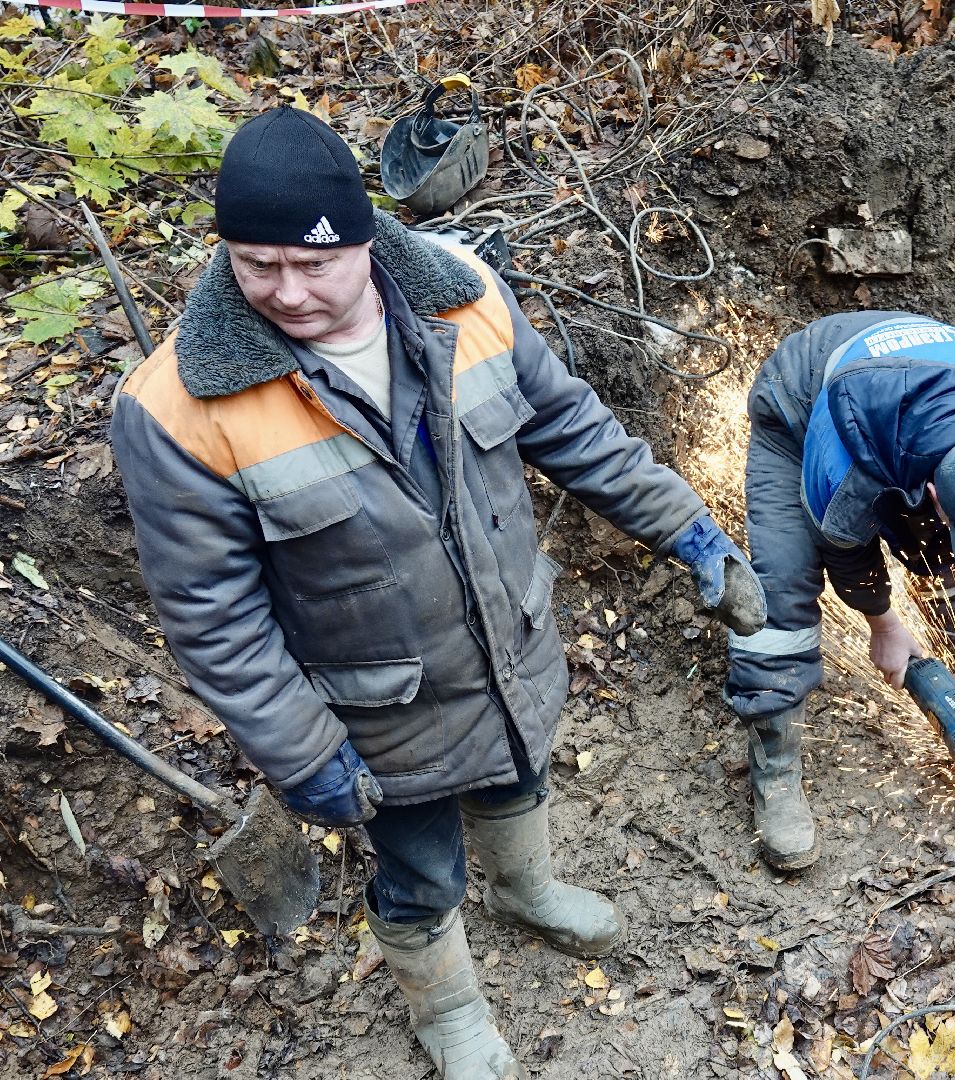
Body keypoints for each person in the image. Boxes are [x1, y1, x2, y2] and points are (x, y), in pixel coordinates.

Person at [110, 107, 764, 1080]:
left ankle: (525, 890)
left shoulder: (467, 299)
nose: (285, 292)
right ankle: (448, 1009)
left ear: (366, 241)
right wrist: (303, 753)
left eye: (312, 265)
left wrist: (688, 529)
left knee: (520, 772)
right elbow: (213, 618)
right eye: (255, 265)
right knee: (418, 869)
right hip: (377, 710)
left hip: (508, 645)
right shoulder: (175, 409)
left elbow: (573, 430)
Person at [726, 312, 955, 870]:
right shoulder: (845, 465)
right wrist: (883, 624)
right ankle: (775, 768)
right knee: (782, 589)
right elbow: (845, 551)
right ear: (936, 495)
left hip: (914, 410)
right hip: (801, 406)